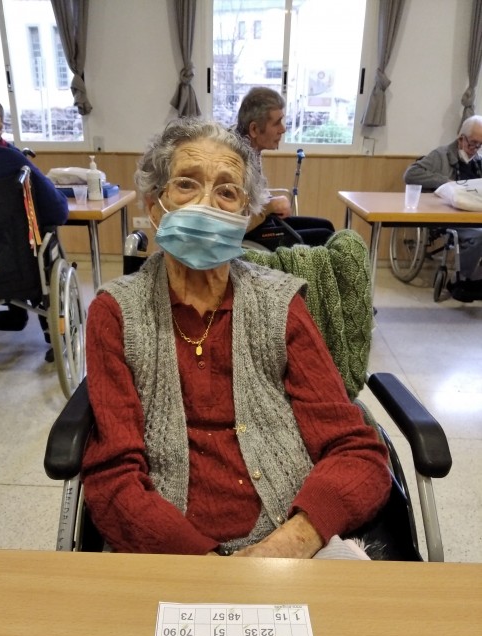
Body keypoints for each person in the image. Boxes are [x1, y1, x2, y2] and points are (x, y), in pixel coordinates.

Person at [81, 117, 391, 559]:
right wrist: (204, 567)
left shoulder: (280, 304)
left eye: (227, 192)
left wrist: (288, 545)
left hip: (291, 535)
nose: (206, 204)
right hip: (166, 549)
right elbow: (114, 477)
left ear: (245, 217)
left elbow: (356, 450)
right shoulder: (116, 313)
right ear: (155, 205)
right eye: (186, 184)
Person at [0, 81, 68, 338]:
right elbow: (58, 212)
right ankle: (50, 326)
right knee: (45, 237)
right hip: (16, 269)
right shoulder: (12, 162)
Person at [235, 86, 335, 246]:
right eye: (276, 123)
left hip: (263, 222)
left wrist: (272, 203)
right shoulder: (235, 161)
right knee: (326, 237)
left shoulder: (252, 150)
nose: (282, 129)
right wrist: (271, 205)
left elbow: (257, 200)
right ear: (254, 129)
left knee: (327, 226)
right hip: (251, 233)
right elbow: (234, 224)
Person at [404, 115, 482, 301]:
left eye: (480, 145)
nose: (475, 149)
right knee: (480, 235)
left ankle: (475, 281)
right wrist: (446, 182)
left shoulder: (478, 160)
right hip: (450, 216)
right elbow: (411, 174)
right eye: (473, 143)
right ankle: (461, 280)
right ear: (461, 138)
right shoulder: (441, 155)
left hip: (475, 213)